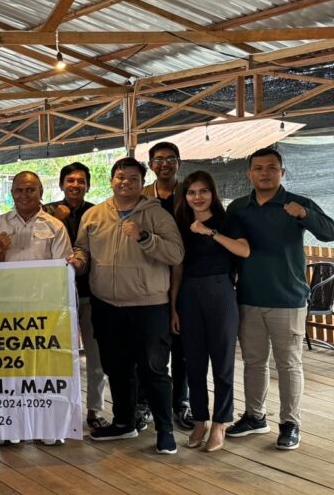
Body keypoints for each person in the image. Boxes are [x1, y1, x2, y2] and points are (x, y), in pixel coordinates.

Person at [225, 146, 334, 450]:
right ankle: (254, 416)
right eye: (258, 168)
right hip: (248, 297)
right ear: (249, 173)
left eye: (271, 168)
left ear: (282, 172)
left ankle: (290, 423)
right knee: (253, 362)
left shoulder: (298, 203)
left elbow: (330, 233)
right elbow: (229, 247)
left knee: (288, 364)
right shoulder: (238, 207)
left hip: (288, 299)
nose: (265, 173)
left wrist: (305, 215)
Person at [71, 157, 184, 455]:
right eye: (121, 177)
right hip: (106, 305)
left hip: (149, 306)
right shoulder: (94, 215)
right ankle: (124, 422)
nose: (126, 182)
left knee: (154, 369)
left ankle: (165, 430)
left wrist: (144, 237)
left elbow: (176, 253)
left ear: (141, 183)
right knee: (116, 367)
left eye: (134, 178)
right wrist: (78, 262)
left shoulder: (156, 214)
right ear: (111, 180)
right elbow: (82, 250)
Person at [0, 171, 72, 447]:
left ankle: (49, 426)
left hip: (44, 307)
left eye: (30, 190)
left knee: (45, 368)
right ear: (12, 193)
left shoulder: (55, 226)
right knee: (12, 369)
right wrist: (0, 249)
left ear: (41, 192)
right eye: (19, 190)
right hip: (8, 308)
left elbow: (62, 269)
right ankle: (14, 427)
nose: (24, 195)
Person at [170, 171, 249, 452]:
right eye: (192, 192)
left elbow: (243, 250)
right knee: (193, 362)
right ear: (185, 196)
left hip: (220, 291)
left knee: (222, 361)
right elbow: (177, 268)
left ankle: (220, 422)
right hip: (189, 293)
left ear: (213, 193)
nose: (198, 197)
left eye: (203, 191)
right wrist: (173, 307)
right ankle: (200, 420)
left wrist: (210, 232)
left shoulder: (227, 221)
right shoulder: (180, 224)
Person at [45, 162, 110, 432]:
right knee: (58, 357)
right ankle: (61, 410)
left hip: (91, 294)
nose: (75, 185)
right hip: (56, 297)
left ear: (88, 185)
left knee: (96, 356)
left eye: (81, 181)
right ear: (61, 184)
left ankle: (95, 409)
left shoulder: (98, 213)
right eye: (70, 180)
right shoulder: (46, 213)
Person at [143, 142, 191, 429]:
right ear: (150, 165)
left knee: (182, 344)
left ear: (179, 163)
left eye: (171, 159)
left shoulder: (191, 193)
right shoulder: (141, 195)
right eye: (159, 159)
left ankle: (181, 401)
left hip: (186, 275)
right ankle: (146, 402)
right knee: (150, 346)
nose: (165, 164)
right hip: (150, 276)